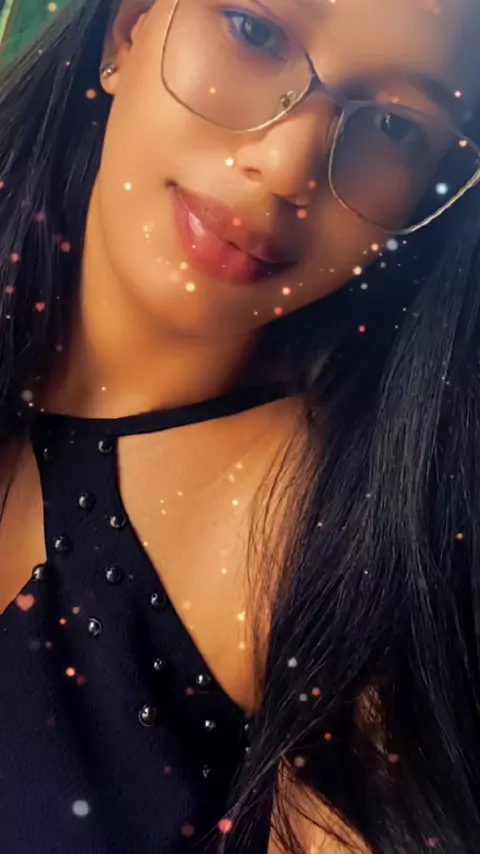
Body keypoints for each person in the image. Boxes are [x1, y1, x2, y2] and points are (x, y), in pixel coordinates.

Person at [0, 0, 479, 851]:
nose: (289, 165)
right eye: (254, 31)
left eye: (396, 128)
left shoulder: (337, 553)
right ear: (128, 28)